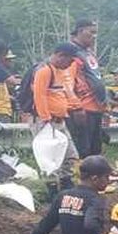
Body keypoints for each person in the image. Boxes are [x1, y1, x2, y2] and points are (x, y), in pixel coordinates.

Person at [32, 44, 83, 189]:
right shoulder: (44, 71)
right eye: (70, 61)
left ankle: (67, 184)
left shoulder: (60, 72)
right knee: (50, 159)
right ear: (61, 56)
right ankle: (52, 189)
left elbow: (59, 95)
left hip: (59, 121)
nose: (70, 65)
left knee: (70, 155)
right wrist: (46, 119)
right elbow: (39, 95)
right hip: (47, 122)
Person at [68, 19, 107, 157]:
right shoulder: (71, 53)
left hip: (96, 108)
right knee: (83, 151)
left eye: (95, 33)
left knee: (95, 150)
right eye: (91, 32)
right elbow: (68, 84)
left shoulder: (88, 53)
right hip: (82, 110)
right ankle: (81, 177)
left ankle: (94, 177)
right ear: (80, 31)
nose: (94, 36)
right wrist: (76, 107)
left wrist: (105, 107)